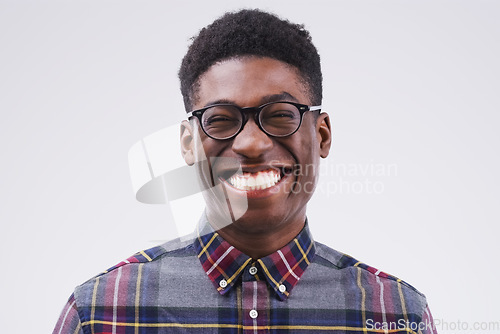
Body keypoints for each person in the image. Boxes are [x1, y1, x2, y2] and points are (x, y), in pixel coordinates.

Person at [53, 9, 436, 334]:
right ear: (188, 144)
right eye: (220, 119)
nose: (251, 144)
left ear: (321, 135)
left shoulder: (397, 314)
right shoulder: (100, 313)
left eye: (281, 115)